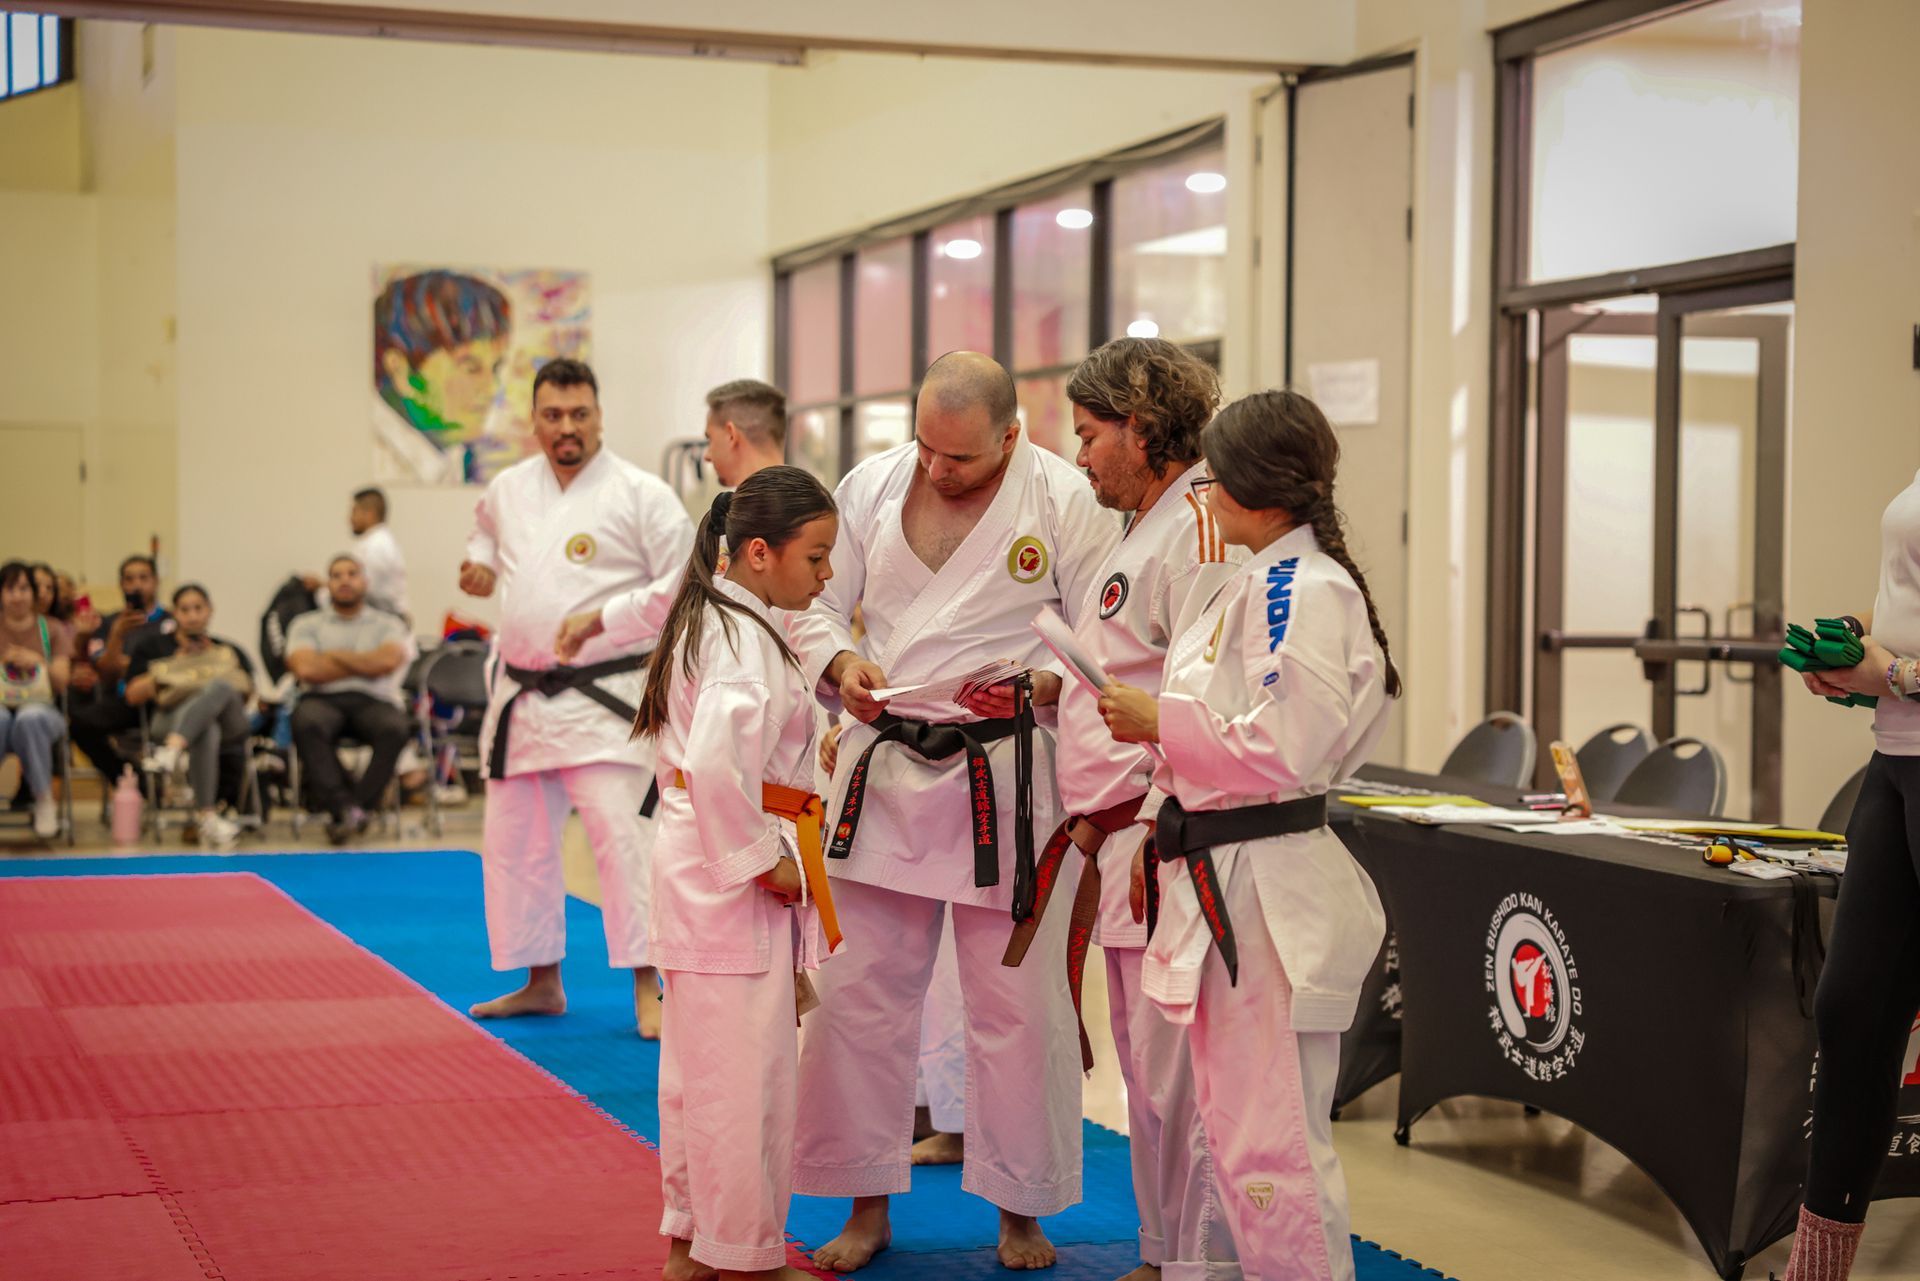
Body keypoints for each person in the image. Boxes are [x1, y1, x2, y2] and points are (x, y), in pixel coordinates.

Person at [793, 350, 1122, 1272]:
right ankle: (866, 1203)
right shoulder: (871, 484)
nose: (937, 469)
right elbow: (815, 600)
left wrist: (1046, 683)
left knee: (1021, 1006)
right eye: (926, 448)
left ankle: (1021, 1209)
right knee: (860, 998)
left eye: (962, 458)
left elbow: (1106, 639)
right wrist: (838, 665)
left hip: (1011, 780)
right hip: (887, 765)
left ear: (1012, 435)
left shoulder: (1064, 499)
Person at [1097, 389, 1402, 1281]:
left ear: (1260, 489)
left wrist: (1160, 718)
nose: (1206, 496)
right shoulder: (1264, 579)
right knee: (1229, 1126)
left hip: (1264, 884)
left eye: (1217, 479)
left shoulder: (1302, 590)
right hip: (1227, 866)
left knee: (1270, 1139)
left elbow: (1288, 745)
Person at [1020, 337, 1246, 1281]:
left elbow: (1208, 692)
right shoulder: (1138, 525)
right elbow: (1135, 670)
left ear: (1143, 426)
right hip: (1112, 842)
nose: (1078, 457)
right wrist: (1058, 687)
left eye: (1089, 435)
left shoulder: (1197, 527)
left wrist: (1157, 816)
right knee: (1144, 1074)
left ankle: (1202, 1262)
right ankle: (1159, 1253)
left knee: (1181, 1074)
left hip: (1161, 837)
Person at [636, 468, 840, 1281]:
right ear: (759, 552)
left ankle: (691, 1244)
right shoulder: (742, 638)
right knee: (743, 1080)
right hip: (730, 873)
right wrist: (769, 864)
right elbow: (722, 763)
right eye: (816, 557)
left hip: (697, 864)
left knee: (697, 1075)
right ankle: (745, 1258)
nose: (826, 577)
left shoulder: (721, 615)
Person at [459, 357, 695, 1038]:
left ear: (599, 414)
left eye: (579, 413)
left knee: (625, 842)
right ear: (533, 419)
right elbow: (482, 533)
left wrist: (612, 621)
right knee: (515, 845)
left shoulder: (641, 493)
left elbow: (684, 587)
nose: (567, 427)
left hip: (606, 699)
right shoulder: (506, 488)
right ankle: (540, 981)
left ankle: (649, 989)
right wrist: (477, 563)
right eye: (553, 414)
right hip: (523, 700)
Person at [1779, 472, 1920, 1281]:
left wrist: (1891, 675)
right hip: (1897, 766)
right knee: (1853, 1011)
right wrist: (1852, 637)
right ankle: (1816, 1270)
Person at [286, 555, 414, 844]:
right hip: (321, 699)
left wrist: (332, 656)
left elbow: (387, 662)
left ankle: (354, 808)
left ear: (364, 582)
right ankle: (345, 806)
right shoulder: (306, 624)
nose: (345, 580)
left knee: (396, 727)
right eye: (336, 575)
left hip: (372, 699)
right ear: (327, 584)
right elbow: (305, 668)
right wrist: (364, 661)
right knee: (306, 722)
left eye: (352, 574)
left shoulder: (388, 623)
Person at [126, 584, 255, 851]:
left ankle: (171, 751)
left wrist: (204, 670)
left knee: (220, 688)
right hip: (170, 719)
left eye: (198, 608)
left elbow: (245, 694)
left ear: (210, 611)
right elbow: (132, 695)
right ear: (175, 613)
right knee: (205, 730)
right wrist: (177, 666)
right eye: (185, 609)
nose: (193, 616)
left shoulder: (227, 650)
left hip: (230, 723)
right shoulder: (154, 646)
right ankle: (207, 816)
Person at [373, 269, 514, 485]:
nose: (492, 388)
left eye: (495, 368)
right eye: (471, 369)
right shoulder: (377, 463)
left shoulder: (453, 454)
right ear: (400, 371)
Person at [67, 555, 172, 786]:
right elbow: (107, 673)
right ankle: (133, 779)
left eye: (143, 578)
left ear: (155, 582)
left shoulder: (171, 623)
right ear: (121, 584)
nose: (136, 585)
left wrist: (134, 666)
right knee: (80, 724)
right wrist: (117, 635)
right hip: (121, 702)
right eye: (129, 579)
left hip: (160, 703)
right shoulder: (110, 623)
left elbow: (170, 669)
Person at [1, 560, 72, 839]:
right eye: (10, 589)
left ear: (33, 593)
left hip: (43, 713)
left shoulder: (51, 629)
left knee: (29, 717)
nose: (17, 596)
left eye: (23, 588)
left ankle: (43, 798)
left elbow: (63, 681)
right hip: (3, 712)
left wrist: (38, 661)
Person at [702, 379, 788, 489]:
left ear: (731, 435)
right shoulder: (810, 501)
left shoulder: (743, 505)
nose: (707, 456)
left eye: (710, 439)